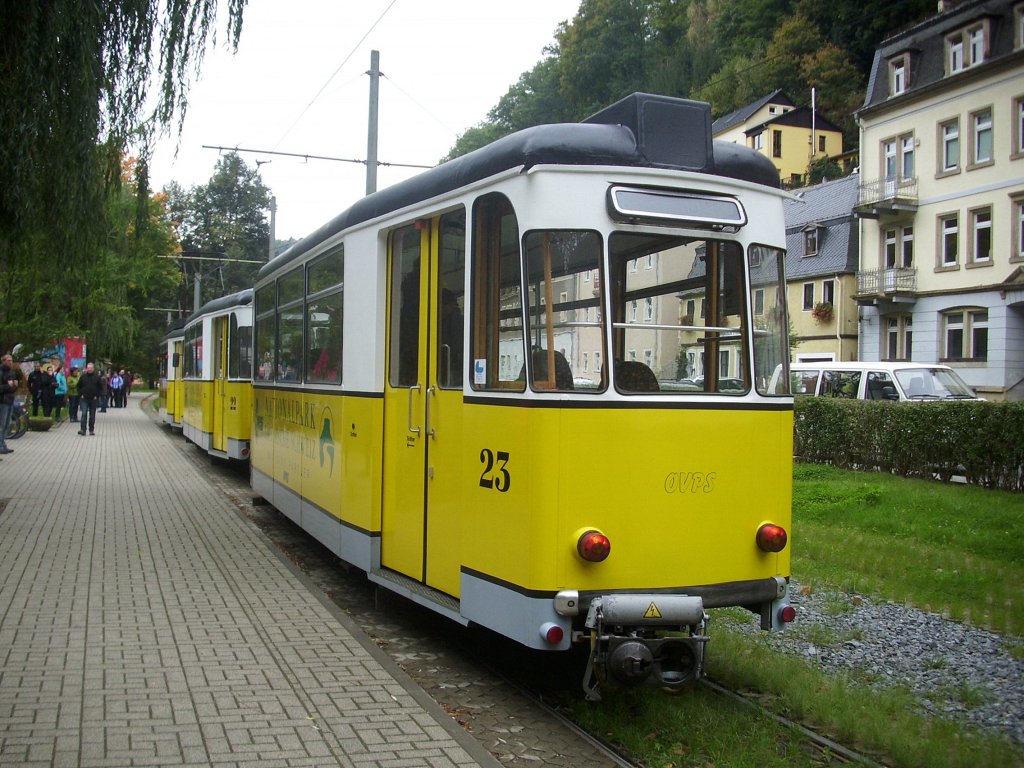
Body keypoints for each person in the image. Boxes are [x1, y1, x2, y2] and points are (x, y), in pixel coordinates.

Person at [77, 362, 104, 435]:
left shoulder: (97, 377)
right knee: (84, 413)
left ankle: (91, 430)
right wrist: (81, 394)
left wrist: (97, 396)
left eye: (91, 368)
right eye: (88, 368)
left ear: (93, 369)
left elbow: (101, 388)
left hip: (93, 399)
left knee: (92, 415)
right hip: (84, 398)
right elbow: (78, 386)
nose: (89, 369)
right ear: (86, 369)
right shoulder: (83, 377)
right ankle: (83, 429)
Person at [0, 354, 17, 456]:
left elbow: (12, 388)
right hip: (2, 401)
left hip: (10, 400)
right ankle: (0, 445)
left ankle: (3, 443)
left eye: (11, 360)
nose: (10, 362)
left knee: (7, 424)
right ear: (3, 361)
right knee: (2, 424)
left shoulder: (11, 372)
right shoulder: (1, 372)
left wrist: (15, 385)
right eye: (8, 360)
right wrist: (8, 386)